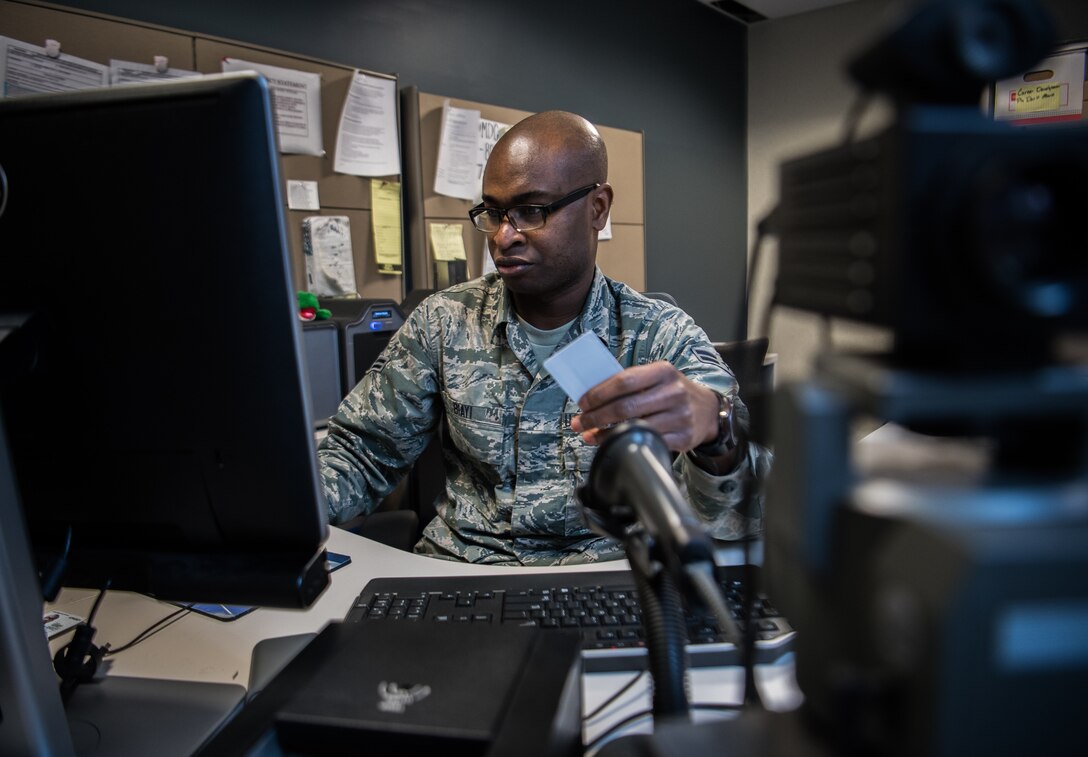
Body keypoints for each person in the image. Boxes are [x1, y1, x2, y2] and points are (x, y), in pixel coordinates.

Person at [318, 110, 772, 565]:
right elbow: (361, 453)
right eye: (493, 213)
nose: (504, 236)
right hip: (462, 573)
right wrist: (287, 513)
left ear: (598, 208)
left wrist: (717, 434)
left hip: (603, 575)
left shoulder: (659, 336)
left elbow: (751, 509)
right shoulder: (443, 321)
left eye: (531, 211)